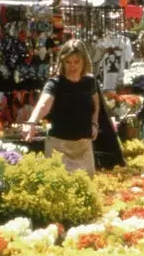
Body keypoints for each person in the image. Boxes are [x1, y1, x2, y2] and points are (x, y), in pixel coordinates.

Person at [22, 39, 100, 175]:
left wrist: (94, 123)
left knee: (86, 189)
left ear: (84, 62)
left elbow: (96, 105)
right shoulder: (55, 83)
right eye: (68, 62)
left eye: (76, 62)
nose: (73, 66)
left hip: (84, 147)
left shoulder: (90, 81)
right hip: (59, 147)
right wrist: (32, 122)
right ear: (62, 62)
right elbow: (43, 104)